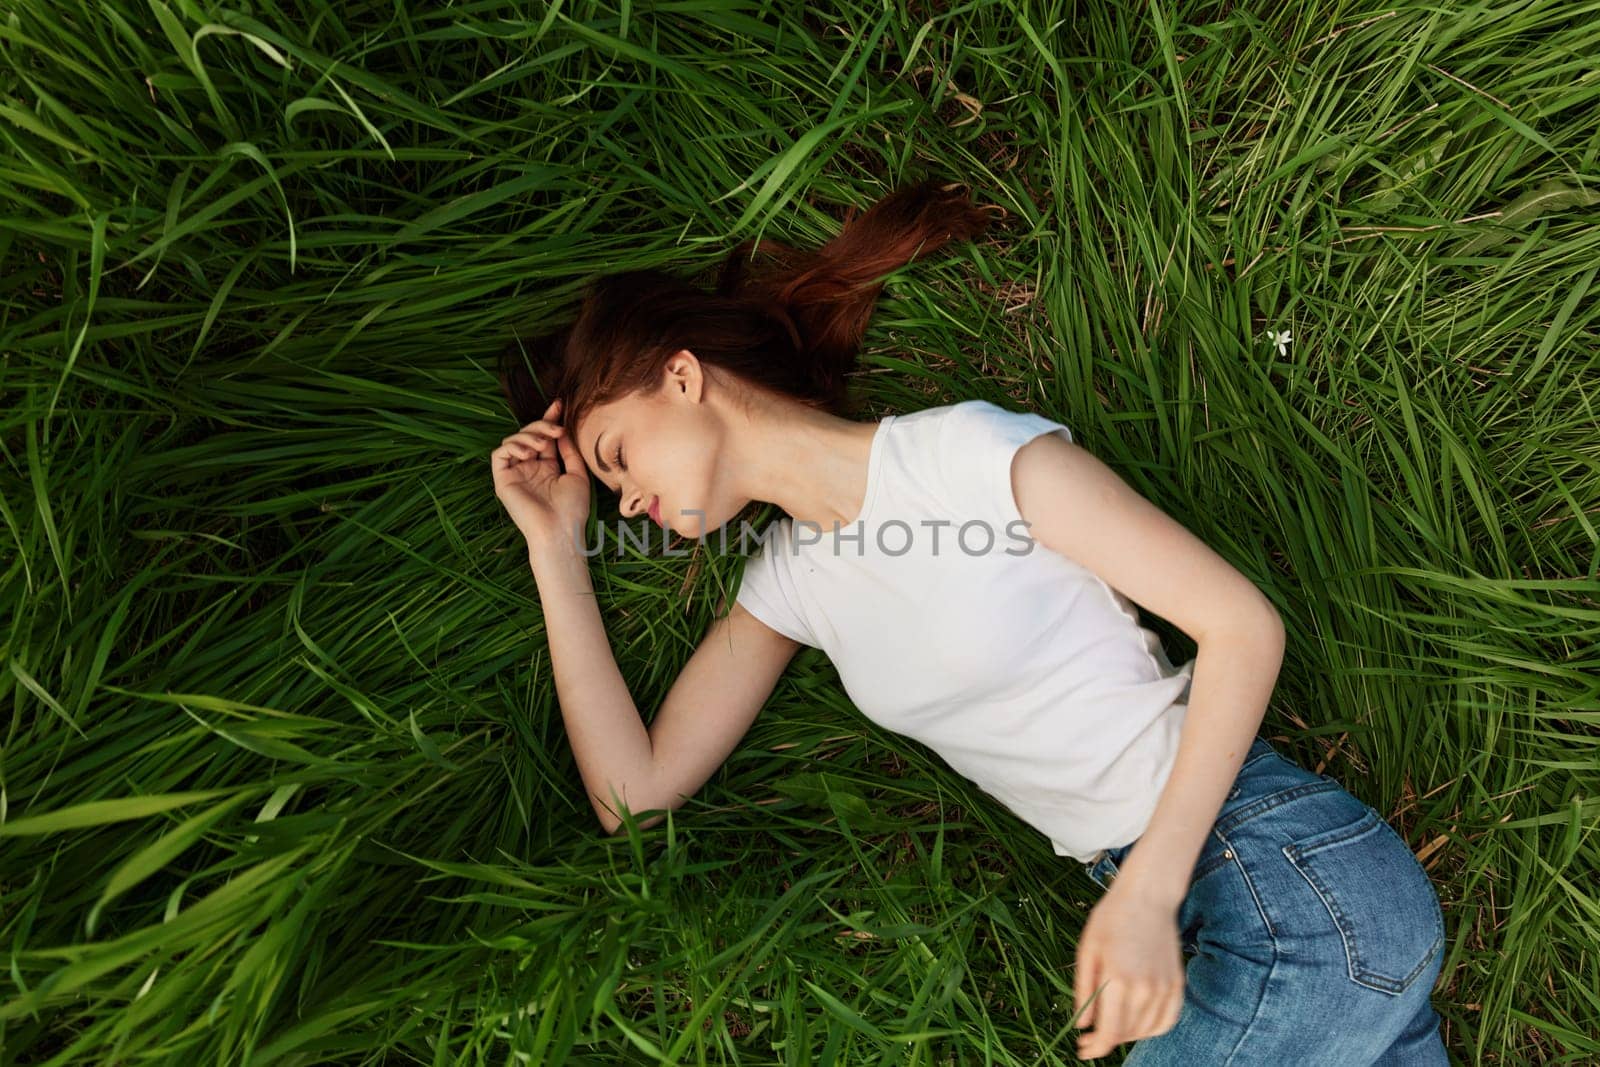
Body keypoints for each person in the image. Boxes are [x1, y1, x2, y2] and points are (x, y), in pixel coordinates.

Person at [487, 178, 1451, 1064]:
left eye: (615, 456)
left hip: (1288, 885)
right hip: (1229, 923)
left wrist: (1149, 891)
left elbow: (1242, 625)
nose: (633, 503)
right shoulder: (790, 586)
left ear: (683, 376)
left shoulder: (962, 456)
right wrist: (555, 548)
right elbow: (635, 796)